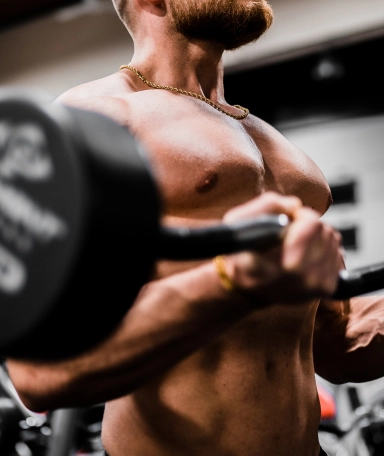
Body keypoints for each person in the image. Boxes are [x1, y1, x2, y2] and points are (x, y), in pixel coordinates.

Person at [5, 1, 384, 455]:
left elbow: (333, 343)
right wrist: (230, 282)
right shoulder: (93, 120)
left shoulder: (276, 147)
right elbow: (40, 375)